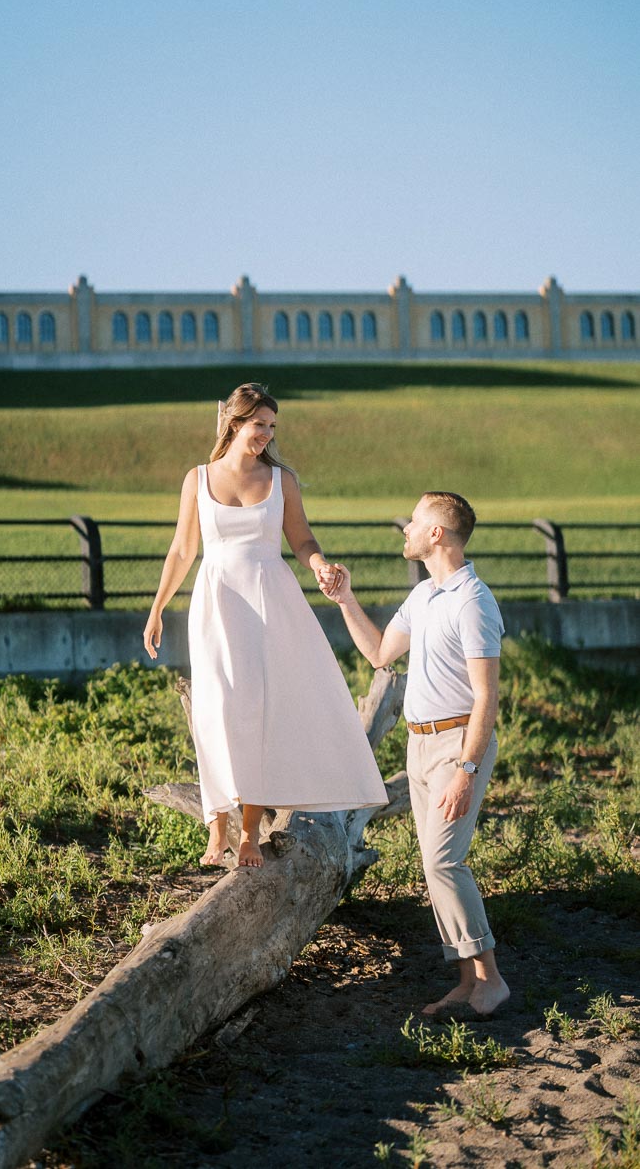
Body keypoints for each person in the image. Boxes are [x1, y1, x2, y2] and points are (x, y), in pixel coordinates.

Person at [143, 382, 387, 870]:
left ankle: (250, 833)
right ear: (235, 423)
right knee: (214, 710)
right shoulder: (197, 478)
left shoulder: (282, 481)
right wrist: (156, 608)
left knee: (259, 713)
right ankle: (217, 830)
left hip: (269, 601)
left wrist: (319, 564)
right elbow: (182, 550)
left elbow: (302, 539)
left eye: (272, 427)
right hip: (216, 604)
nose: (267, 435)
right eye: (260, 425)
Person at [317, 491, 510, 1017]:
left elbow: (487, 696)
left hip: (457, 744)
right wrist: (345, 600)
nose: (405, 527)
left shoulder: (473, 601)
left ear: (437, 535)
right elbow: (381, 653)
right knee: (434, 866)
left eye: (415, 520)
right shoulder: (426, 595)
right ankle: (467, 981)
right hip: (419, 743)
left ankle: (490, 980)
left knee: (445, 861)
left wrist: (467, 770)